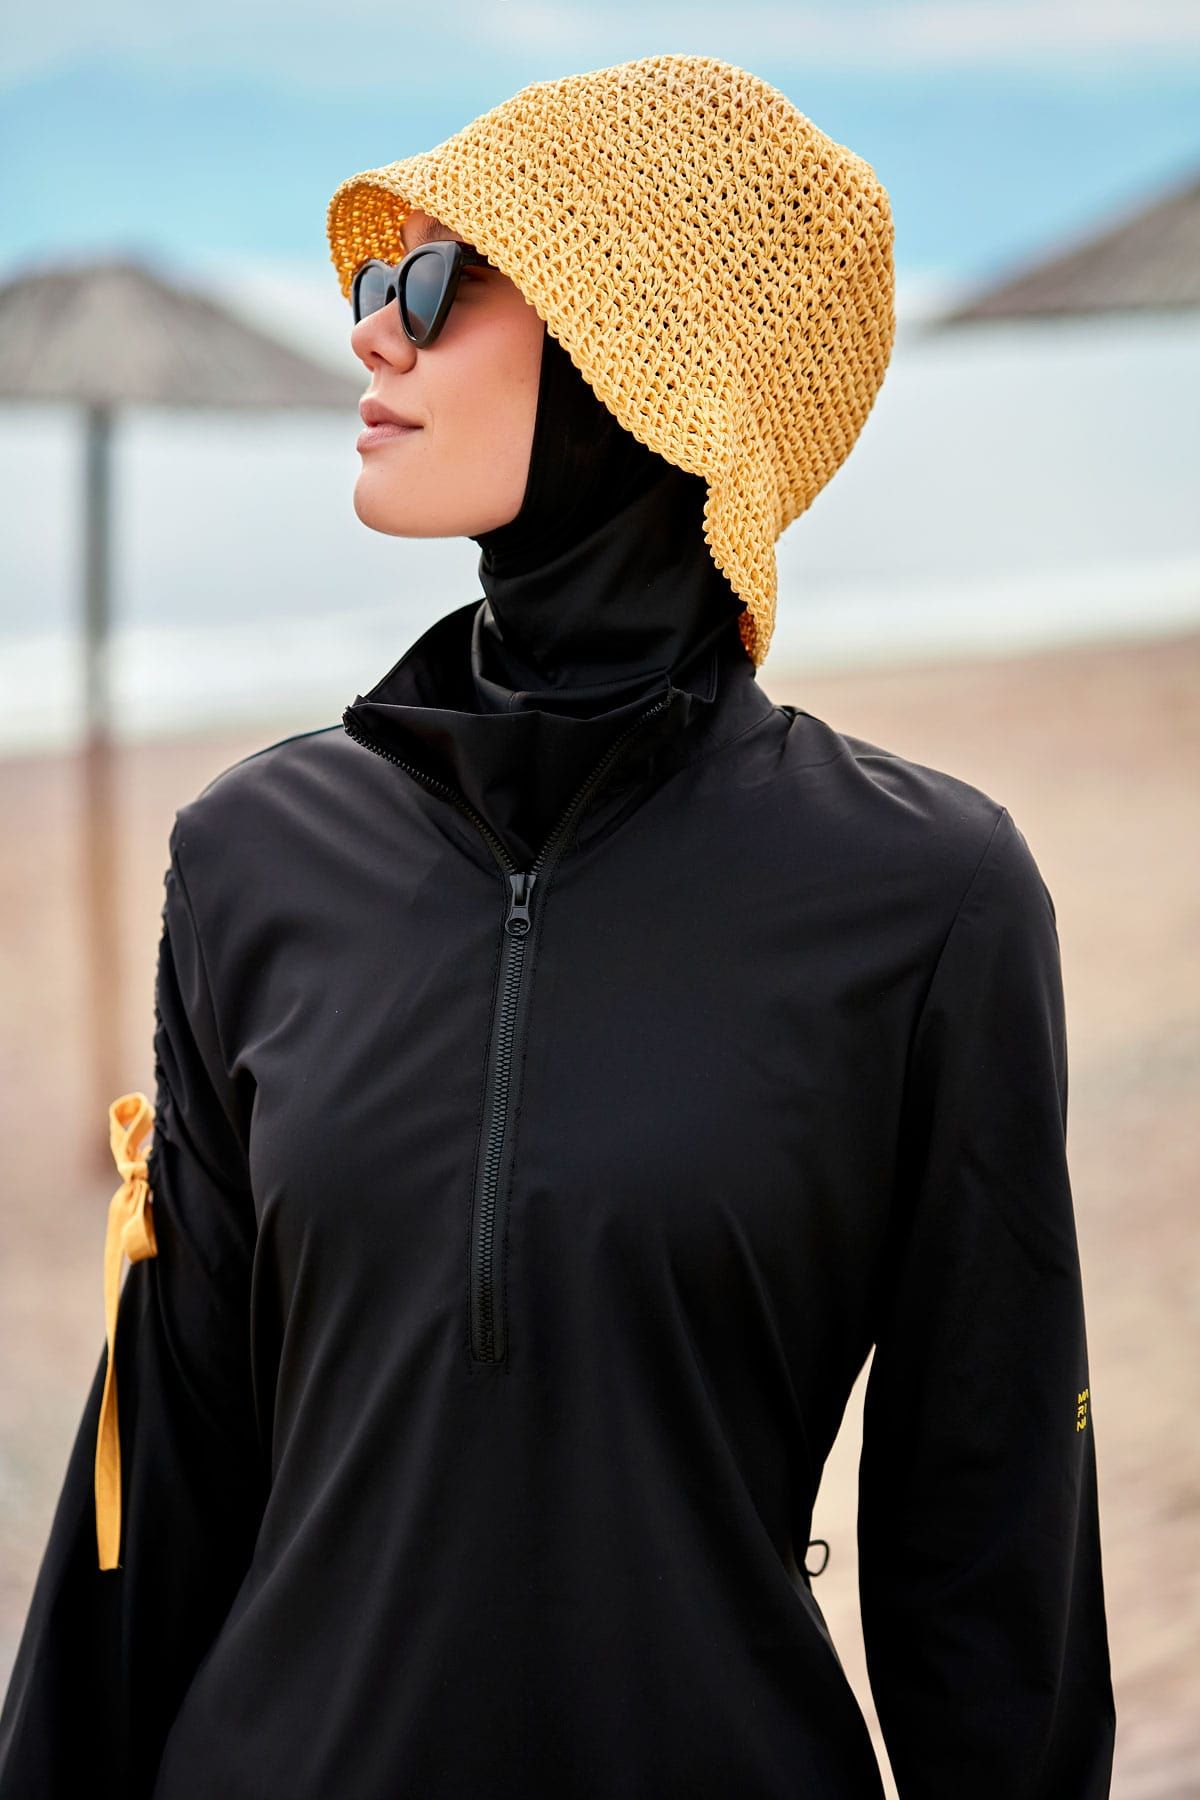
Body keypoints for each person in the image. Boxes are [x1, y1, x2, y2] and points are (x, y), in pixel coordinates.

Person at [0, 53, 1115, 1799]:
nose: (371, 332)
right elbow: (162, 1475)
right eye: (374, 281)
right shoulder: (253, 858)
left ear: (637, 358)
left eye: (434, 280)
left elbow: (992, 1554)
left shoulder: (929, 903)